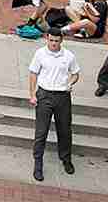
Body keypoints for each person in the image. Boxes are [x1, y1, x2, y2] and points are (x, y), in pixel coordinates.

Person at [28, 29, 82, 181]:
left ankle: (66, 159)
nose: (53, 44)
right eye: (51, 40)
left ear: (61, 41)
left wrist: (70, 83)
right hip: (44, 95)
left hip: (62, 96)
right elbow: (33, 73)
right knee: (41, 132)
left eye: (56, 41)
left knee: (65, 130)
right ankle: (38, 164)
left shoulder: (69, 56)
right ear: (47, 39)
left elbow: (76, 73)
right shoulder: (40, 54)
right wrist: (32, 94)